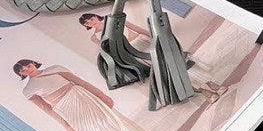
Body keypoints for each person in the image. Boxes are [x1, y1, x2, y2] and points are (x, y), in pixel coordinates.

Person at [13, 59, 163, 131]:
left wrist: (101, 95)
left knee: (113, 123)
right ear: (20, 75)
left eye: (28, 66)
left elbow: (80, 82)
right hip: (67, 110)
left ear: (33, 63)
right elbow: (46, 109)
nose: (27, 69)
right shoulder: (28, 91)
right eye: (23, 70)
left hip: (83, 97)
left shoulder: (55, 68)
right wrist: (66, 125)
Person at [79, 14, 230, 104]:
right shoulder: (95, 37)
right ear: (87, 25)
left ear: (95, 16)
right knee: (167, 72)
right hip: (134, 52)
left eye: (90, 18)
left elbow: (136, 29)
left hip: (144, 41)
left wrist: (156, 37)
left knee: (177, 60)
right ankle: (204, 92)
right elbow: (109, 51)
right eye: (87, 22)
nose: (91, 22)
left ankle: (212, 83)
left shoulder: (113, 20)